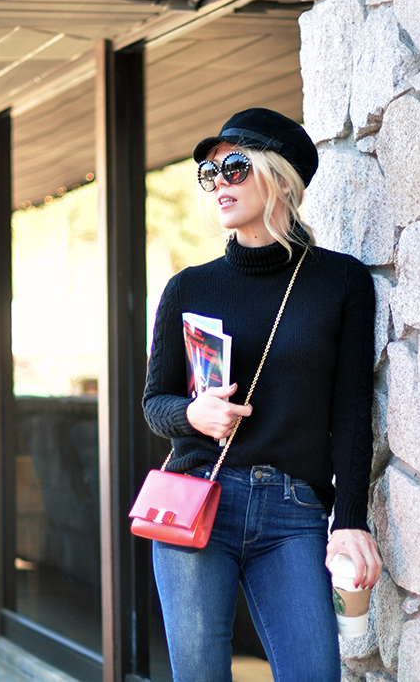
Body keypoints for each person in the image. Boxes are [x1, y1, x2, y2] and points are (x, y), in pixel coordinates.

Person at [143, 108, 382, 682]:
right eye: (210, 173)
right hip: (201, 500)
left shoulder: (340, 282)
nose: (218, 183)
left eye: (234, 167)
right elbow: (156, 403)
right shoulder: (190, 287)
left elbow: (352, 412)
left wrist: (350, 518)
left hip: (295, 512)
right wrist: (194, 414)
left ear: (278, 175)